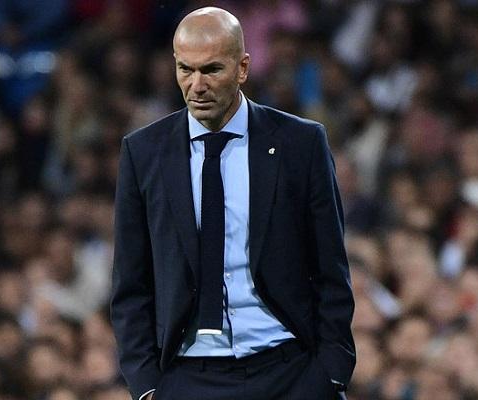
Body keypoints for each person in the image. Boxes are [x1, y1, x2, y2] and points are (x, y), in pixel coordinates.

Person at [111, 7, 355, 400]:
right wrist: (147, 386)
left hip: (290, 372)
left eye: (211, 70)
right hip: (188, 378)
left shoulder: (300, 143)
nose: (196, 85)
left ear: (242, 68)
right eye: (185, 69)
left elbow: (331, 269)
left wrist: (330, 374)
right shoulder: (143, 153)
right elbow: (131, 283)